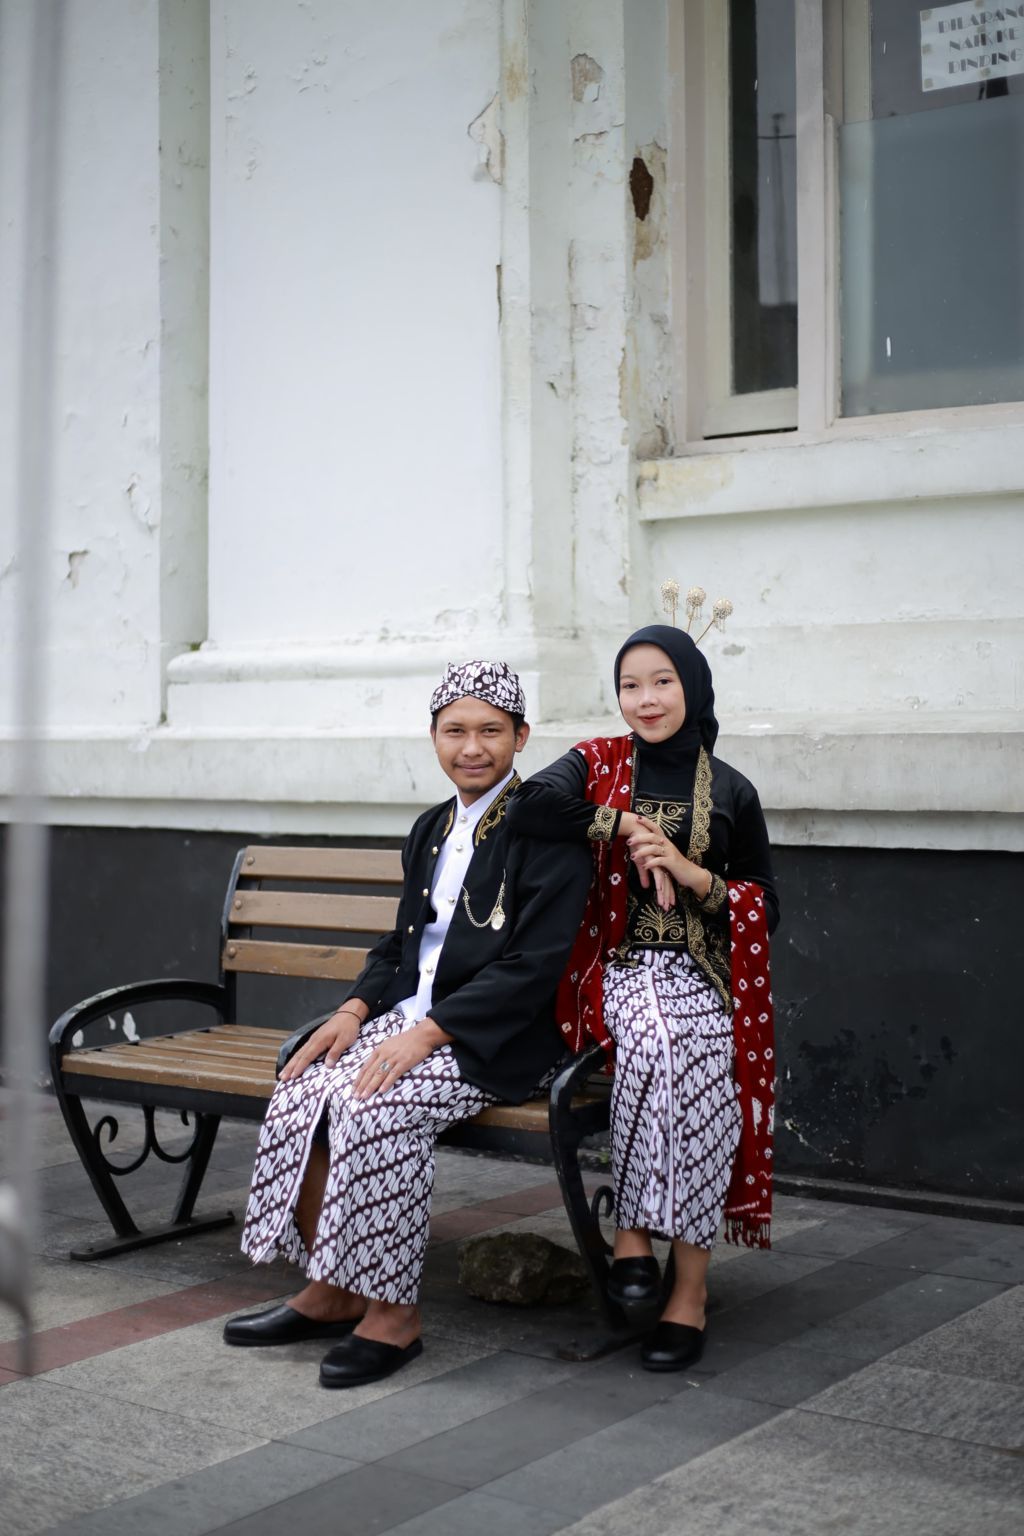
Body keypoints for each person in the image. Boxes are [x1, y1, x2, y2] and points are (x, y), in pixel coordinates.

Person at [224, 661, 591, 1388]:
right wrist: (353, 1010)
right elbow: (400, 944)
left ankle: (393, 1316)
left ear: (521, 736)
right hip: (406, 1019)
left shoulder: (547, 832)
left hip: (498, 1038)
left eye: (491, 731)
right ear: (433, 738)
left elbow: (536, 966)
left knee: (377, 1107)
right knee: (302, 1086)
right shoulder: (430, 828)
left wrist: (428, 1033)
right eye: (455, 731)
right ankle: (332, 1289)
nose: (472, 747)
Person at [507, 624, 779, 1371]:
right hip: (615, 968)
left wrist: (694, 876)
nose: (645, 699)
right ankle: (634, 1238)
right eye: (630, 685)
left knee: (706, 1064)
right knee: (662, 1037)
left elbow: (764, 907)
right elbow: (527, 806)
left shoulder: (732, 790)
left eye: (662, 682)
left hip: (703, 975)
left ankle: (684, 1288)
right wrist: (623, 822)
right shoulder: (596, 763)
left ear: (693, 686)